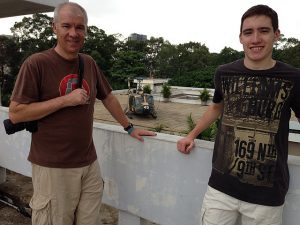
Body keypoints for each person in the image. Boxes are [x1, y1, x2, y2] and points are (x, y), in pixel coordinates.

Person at [8, 2, 156, 225]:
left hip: (89, 164)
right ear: (54, 27)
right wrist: (66, 100)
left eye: (80, 27)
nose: (73, 33)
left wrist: (129, 127)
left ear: (86, 30)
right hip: (53, 167)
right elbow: (17, 114)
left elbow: (107, 97)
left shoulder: (88, 63)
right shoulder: (37, 64)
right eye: (66, 26)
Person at [177, 4, 300, 225]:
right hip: (221, 189)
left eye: (263, 30)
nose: (255, 39)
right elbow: (217, 107)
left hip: (267, 195)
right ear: (240, 38)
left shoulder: (293, 78)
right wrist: (191, 135)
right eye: (248, 32)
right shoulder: (224, 73)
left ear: (276, 35)